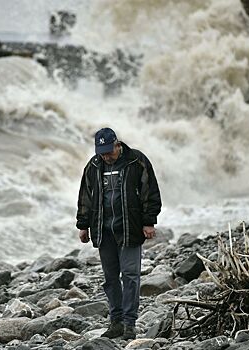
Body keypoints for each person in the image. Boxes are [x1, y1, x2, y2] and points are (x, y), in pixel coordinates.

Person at [76, 127, 162, 340]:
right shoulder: (94, 166)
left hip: (130, 229)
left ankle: (129, 324)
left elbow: (150, 191)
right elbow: (85, 195)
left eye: (109, 151)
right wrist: (83, 225)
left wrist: (149, 222)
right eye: (102, 152)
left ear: (117, 144)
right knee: (110, 278)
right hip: (104, 231)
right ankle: (116, 322)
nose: (106, 156)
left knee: (131, 276)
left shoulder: (136, 161)